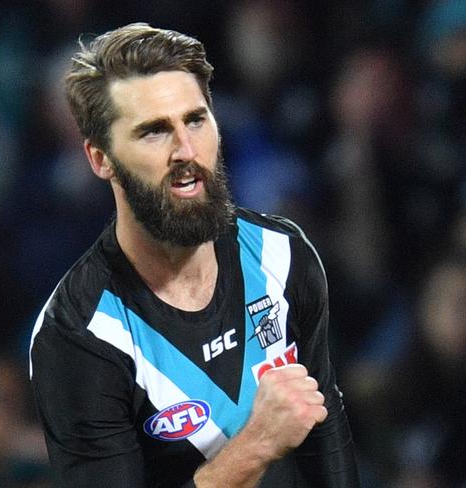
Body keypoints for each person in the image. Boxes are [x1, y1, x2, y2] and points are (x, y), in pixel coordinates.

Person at [29, 23, 359, 487]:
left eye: (196, 120)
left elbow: (327, 433)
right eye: (153, 132)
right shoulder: (82, 334)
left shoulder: (282, 255)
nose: (186, 150)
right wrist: (256, 445)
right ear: (100, 158)